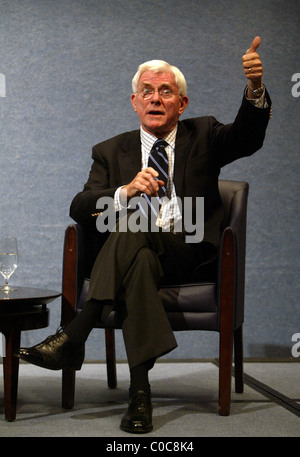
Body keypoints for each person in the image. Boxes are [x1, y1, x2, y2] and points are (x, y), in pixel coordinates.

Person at [17, 36, 272, 433]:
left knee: (131, 233)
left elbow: (247, 137)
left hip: (189, 252)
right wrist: (124, 192)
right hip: (138, 256)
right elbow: (80, 207)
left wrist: (255, 89)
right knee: (135, 251)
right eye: (147, 92)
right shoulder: (109, 151)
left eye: (165, 91)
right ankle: (140, 395)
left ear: (181, 103)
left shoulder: (203, 134)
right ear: (134, 102)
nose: (155, 99)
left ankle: (75, 334)